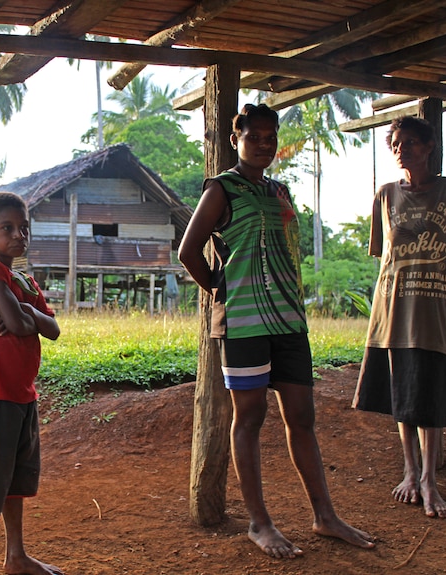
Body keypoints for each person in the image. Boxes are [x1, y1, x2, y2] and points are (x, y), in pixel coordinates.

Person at [178, 103, 376, 559]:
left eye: (271, 138)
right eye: (255, 137)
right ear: (236, 139)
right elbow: (189, 251)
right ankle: (259, 523)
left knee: (302, 418)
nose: (264, 145)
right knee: (248, 419)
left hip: (288, 320)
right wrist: (220, 291)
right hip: (245, 324)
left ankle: (324, 516)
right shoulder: (221, 189)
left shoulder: (280, 191)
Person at [353, 116, 446, 519]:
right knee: (402, 396)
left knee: (431, 395)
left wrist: (442, 279)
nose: (402, 149)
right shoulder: (386, 195)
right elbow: (386, 257)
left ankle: (430, 479)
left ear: (430, 147)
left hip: (435, 314)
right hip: (393, 311)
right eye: (396, 143)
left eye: (411, 142)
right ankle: (410, 472)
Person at [0, 191, 63, 575]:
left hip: (22, 394)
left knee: (15, 478)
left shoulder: (23, 279)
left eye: (24, 228)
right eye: (7, 228)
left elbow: (52, 329)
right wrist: (28, 314)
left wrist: (23, 309)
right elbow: (25, 324)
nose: (18, 235)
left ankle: (16, 555)